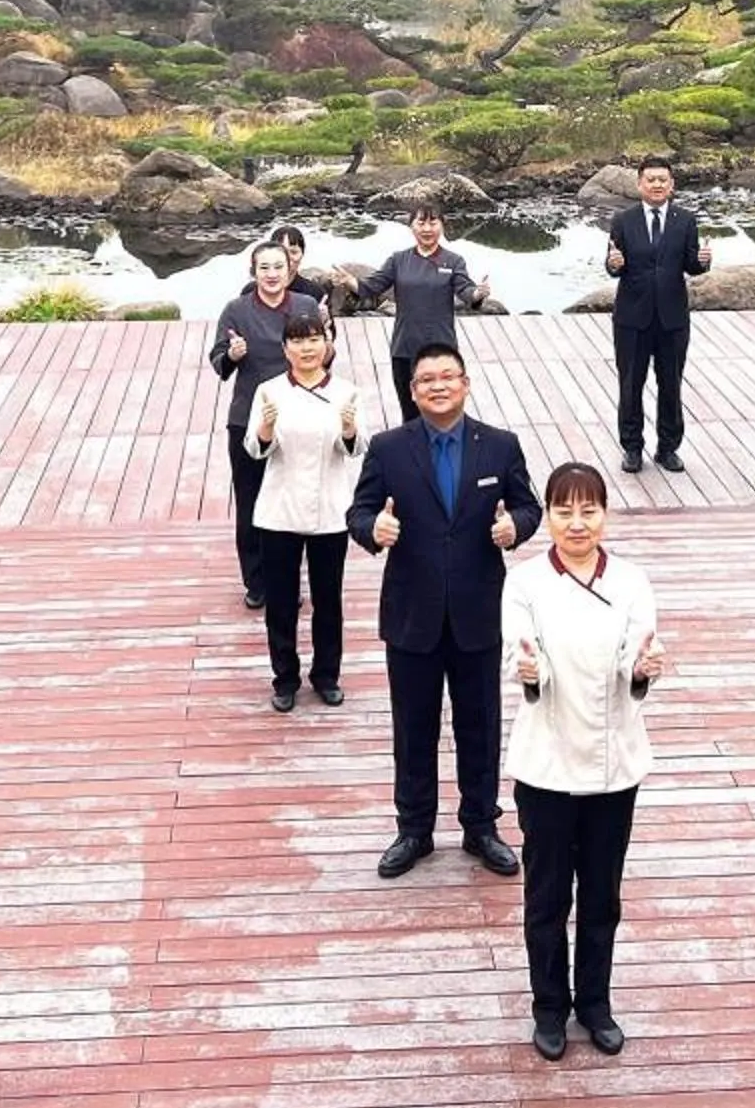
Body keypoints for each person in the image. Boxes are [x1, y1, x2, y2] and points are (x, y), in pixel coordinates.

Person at [348, 342, 542, 880]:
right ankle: (414, 828)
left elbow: (528, 505)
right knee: (413, 727)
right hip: (412, 612)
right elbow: (359, 512)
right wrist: (373, 529)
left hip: (479, 611)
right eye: (426, 379)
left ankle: (481, 825)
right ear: (413, 391)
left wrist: (515, 527)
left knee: (481, 724)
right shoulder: (388, 448)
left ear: (465, 383)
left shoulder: (499, 446)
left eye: (447, 377)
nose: (438, 386)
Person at [504, 460, 665, 1059]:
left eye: (589, 510)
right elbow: (519, 652)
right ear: (546, 515)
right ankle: (549, 1006)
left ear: (605, 514)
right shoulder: (524, 582)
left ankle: (595, 1003)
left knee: (602, 894)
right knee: (546, 896)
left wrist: (642, 668)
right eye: (564, 511)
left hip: (613, 764)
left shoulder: (630, 581)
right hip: (545, 763)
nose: (577, 523)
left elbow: (637, 651)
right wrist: (529, 670)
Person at [244, 310, 362, 711]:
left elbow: (356, 448)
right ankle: (285, 678)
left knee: (328, 599)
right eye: (297, 340)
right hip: (279, 510)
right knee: (281, 601)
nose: (307, 348)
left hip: (330, 510)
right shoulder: (269, 391)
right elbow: (254, 449)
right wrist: (264, 430)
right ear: (285, 349)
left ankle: (327, 675)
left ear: (326, 345)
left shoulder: (346, 391)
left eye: (314, 339)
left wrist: (349, 430)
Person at [210, 242, 326, 610]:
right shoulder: (236, 310)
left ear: (290, 270)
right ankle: (257, 582)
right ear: (254, 272)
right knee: (251, 502)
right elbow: (218, 362)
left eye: (278, 266)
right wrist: (232, 354)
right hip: (250, 417)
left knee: (294, 500)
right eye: (264, 267)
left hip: (300, 415)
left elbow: (323, 357)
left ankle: (288, 580)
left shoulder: (306, 306)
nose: (272, 274)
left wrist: (326, 342)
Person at [604, 154, 712, 474]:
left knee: (671, 385)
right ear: (639, 184)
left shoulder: (685, 220)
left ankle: (668, 448)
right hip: (632, 318)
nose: (656, 185)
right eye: (650, 179)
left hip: (672, 318)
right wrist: (613, 264)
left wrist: (703, 261)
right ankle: (632, 447)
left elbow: (691, 265)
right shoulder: (623, 220)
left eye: (662, 180)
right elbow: (613, 264)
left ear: (671, 184)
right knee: (630, 385)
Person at [355, 203, 492, 416]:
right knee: (410, 412)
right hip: (405, 348)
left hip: (442, 349)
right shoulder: (398, 260)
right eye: (421, 222)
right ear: (411, 226)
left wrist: (478, 293)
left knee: (443, 412)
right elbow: (371, 287)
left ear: (442, 226)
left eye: (433, 222)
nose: (427, 229)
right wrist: (349, 281)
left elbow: (466, 291)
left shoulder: (453, 261)